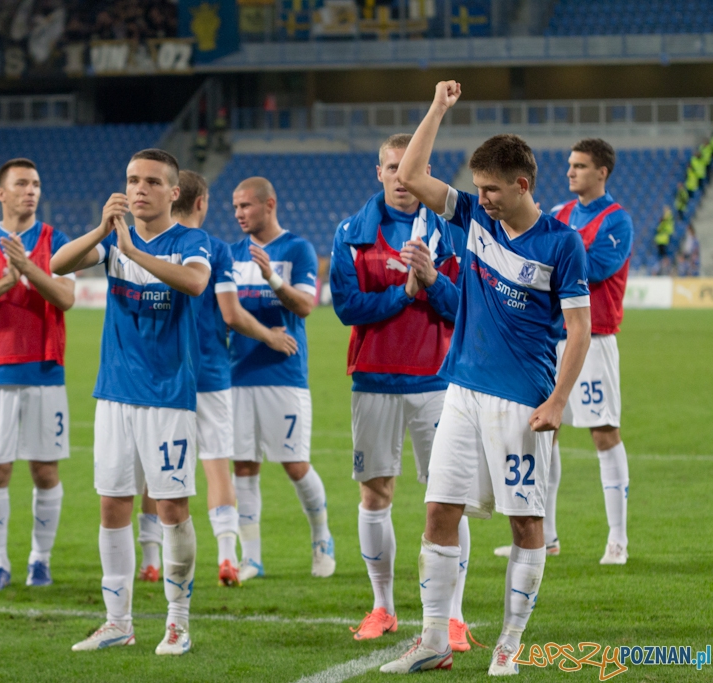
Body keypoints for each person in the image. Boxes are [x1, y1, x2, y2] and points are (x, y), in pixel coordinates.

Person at [378, 81, 591, 676]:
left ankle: (510, 641)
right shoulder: (473, 217)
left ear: (522, 184)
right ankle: (432, 640)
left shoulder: (561, 244)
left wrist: (557, 400)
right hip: (463, 392)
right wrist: (439, 108)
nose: (482, 198)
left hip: (522, 400)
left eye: (491, 189)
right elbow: (414, 174)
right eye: (478, 188)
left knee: (527, 523)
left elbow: (579, 331)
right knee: (438, 512)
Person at [52, 149, 210, 655]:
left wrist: (132, 251)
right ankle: (117, 621)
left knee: (171, 506)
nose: (138, 189)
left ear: (173, 192)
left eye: (150, 182)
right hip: (115, 393)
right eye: (131, 180)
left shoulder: (191, 241)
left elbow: (194, 282)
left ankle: (178, 624)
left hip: (168, 396)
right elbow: (57, 265)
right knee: (113, 504)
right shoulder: (112, 242)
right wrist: (103, 232)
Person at [330, 133, 474, 650]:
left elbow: (465, 309)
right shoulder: (351, 233)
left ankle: (454, 617)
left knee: (447, 501)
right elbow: (347, 308)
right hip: (374, 381)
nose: (399, 178)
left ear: (425, 171)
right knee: (376, 494)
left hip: (437, 382)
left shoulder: (451, 234)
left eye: (407, 169)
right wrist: (404, 292)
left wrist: (432, 281)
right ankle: (383, 607)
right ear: (379, 172)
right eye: (391, 168)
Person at [136, 170, 299, 588]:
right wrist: (267, 335)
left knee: (158, 469)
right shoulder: (216, 249)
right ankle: (227, 555)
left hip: (161, 374)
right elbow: (230, 314)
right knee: (217, 466)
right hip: (210, 372)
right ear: (201, 202)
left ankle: (151, 559)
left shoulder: (148, 247)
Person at [495, 138, 634, 566]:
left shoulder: (617, 221)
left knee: (604, 434)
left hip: (594, 339)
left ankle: (618, 540)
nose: (571, 171)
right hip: (550, 341)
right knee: (543, 432)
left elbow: (591, 269)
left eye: (580, 165)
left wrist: (553, 259)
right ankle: (547, 536)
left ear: (601, 172)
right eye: (570, 165)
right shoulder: (559, 214)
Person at [0, 158, 75, 591]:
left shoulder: (56, 240)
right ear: (1, 193)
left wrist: (27, 268)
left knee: (45, 472)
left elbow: (65, 297)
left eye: (37, 184)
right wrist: (7, 281)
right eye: (22, 183)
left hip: (45, 370)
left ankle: (39, 560)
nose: (31, 191)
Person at [228, 176, 334, 582]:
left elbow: (306, 305)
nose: (239, 214)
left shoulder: (297, 249)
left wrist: (272, 277)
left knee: (294, 464)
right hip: (237, 374)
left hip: (283, 375)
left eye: (246, 206)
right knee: (244, 466)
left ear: (268, 204)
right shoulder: (233, 254)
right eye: (235, 207)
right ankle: (251, 557)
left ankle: (322, 539)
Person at [654, 206, 674, 274]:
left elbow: (667, 216)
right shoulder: (662, 223)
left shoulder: (666, 219)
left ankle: (667, 267)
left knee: (664, 255)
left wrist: (666, 211)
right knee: (662, 255)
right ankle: (663, 267)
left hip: (663, 240)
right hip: (660, 241)